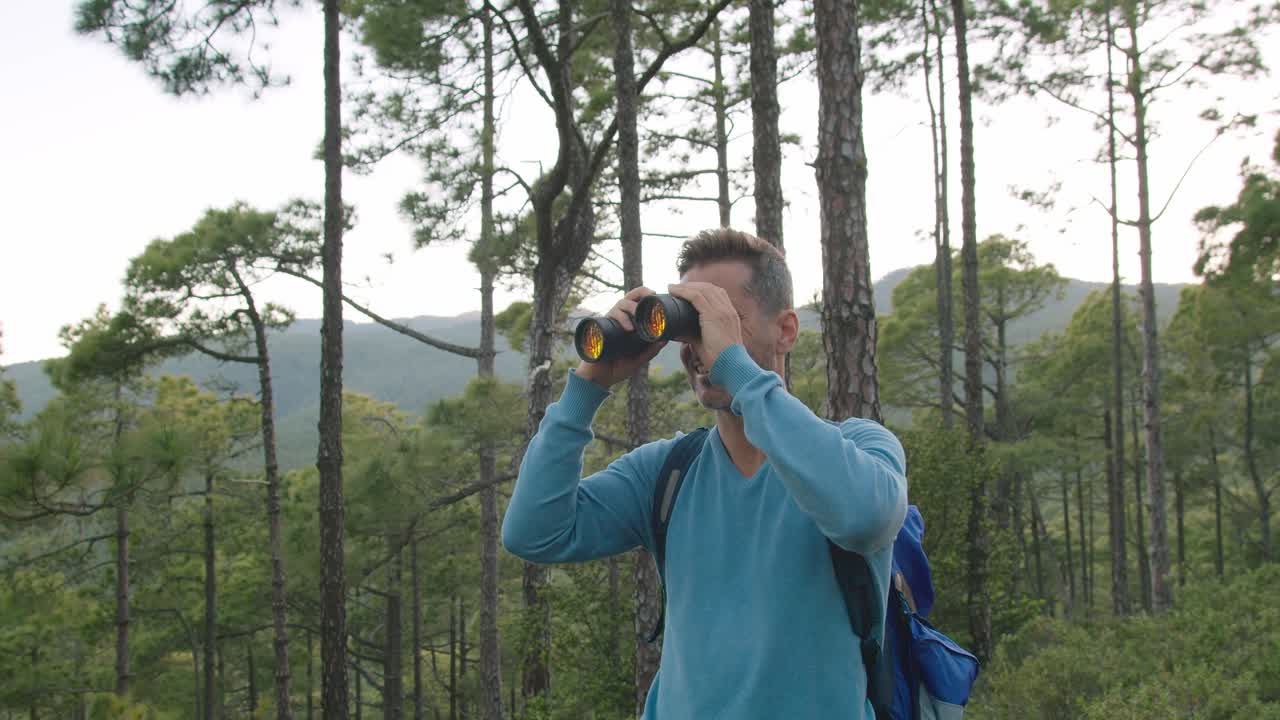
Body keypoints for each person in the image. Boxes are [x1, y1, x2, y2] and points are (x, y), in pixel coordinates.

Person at [502, 228, 908, 719]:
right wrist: (589, 387)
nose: (700, 345)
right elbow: (534, 533)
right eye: (690, 324)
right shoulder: (668, 473)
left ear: (785, 331)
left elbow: (863, 516)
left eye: (722, 320)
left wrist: (738, 372)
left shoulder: (860, 447)